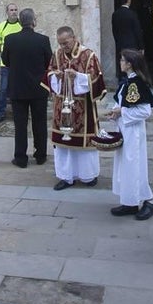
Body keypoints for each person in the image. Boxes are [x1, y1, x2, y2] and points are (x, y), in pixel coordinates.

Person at [45, 26, 106, 191]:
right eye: (60, 43)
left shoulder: (88, 55)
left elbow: (97, 79)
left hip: (82, 107)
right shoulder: (57, 54)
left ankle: (88, 175)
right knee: (63, 144)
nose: (63, 47)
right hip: (62, 105)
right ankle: (66, 177)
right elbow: (49, 72)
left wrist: (77, 77)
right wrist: (55, 76)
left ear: (74, 38)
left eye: (65, 43)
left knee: (85, 144)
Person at [109, 49, 153, 220]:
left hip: (134, 133)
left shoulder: (137, 84)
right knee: (125, 167)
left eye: (122, 60)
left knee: (135, 168)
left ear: (129, 64)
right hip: (125, 130)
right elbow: (121, 102)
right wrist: (115, 111)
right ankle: (130, 202)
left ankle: (150, 200)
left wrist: (122, 112)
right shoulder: (127, 82)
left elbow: (145, 111)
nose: (120, 62)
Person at [0, 8, 53, 168]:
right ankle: (41, 155)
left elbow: (6, 61)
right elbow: (48, 62)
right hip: (38, 88)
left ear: (21, 21)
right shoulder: (43, 40)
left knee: (20, 125)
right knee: (40, 123)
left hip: (18, 88)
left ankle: (21, 158)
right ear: (34, 21)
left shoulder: (10, 40)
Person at [0, 3, 22, 124]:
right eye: (11, 10)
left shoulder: (22, 26)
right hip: (6, 65)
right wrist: (6, 54)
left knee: (19, 90)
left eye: (15, 9)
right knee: (3, 90)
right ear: (7, 12)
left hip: (20, 65)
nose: (14, 12)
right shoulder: (1, 26)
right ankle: (0, 113)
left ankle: (19, 113)